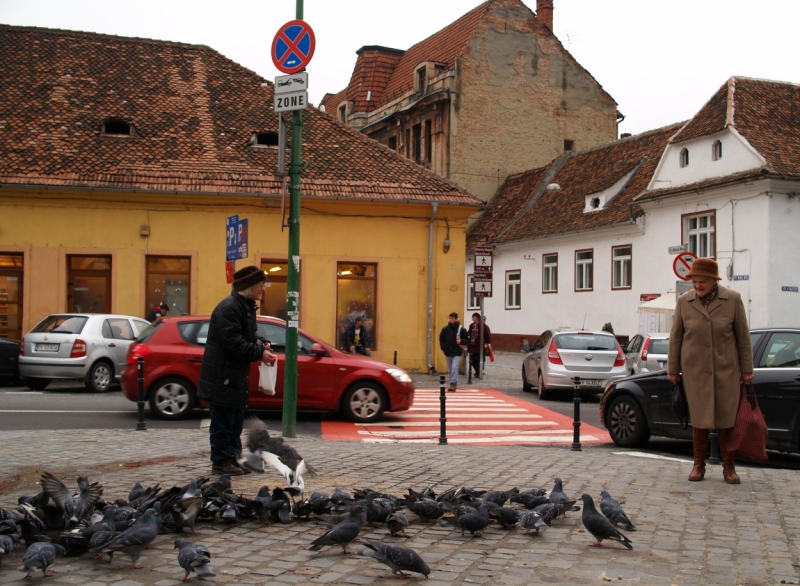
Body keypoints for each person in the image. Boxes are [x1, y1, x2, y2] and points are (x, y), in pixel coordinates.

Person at [667, 258, 753, 485]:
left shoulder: (732, 300)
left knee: (727, 418)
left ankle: (729, 467)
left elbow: (743, 337)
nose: (697, 286)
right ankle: (698, 465)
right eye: (694, 282)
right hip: (695, 370)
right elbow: (676, 337)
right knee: (699, 418)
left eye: (701, 281)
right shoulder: (684, 302)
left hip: (726, 370)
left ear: (714, 281)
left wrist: (747, 369)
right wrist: (673, 368)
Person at [198, 266, 276, 476]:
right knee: (223, 421)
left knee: (234, 421)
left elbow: (248, 337)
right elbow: (233, 343)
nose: (263, 289)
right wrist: (259, 352)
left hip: (234, 376)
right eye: (261, 285)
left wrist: (261, 344)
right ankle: (221, 461)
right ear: (249, 286)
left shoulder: (245, 307)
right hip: (223, 375)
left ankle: (232, 458)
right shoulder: (230, 308)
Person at [439, 311, 469, 391]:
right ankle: (452, 382)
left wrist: (461, 341)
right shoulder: (445, 329)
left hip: (457, 352)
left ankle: (453, 383)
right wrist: (443, 347)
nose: (450, 320)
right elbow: (441, 338)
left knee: (454, 368)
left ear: (456, 319)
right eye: (449, 318)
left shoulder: (461, 329)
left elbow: (467, 339)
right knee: (450, 369)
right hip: (448, 351)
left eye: (452, 318)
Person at [467, 312, 491, 379]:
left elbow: (487, 335)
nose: (473, 318)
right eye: (472, 317)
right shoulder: (471, 325)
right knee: (472, 360)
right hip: (472, 345)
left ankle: (478, 372)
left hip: (480, 346)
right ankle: (478, 371)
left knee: (480, 360)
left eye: (474, 317)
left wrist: (487, 344)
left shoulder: (483, 326)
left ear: (478, 318)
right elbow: (469, 333)